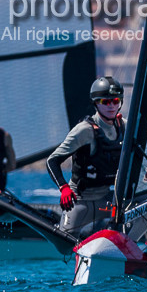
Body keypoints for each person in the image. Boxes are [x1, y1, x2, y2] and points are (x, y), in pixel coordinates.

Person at [46, 76, 125, 239]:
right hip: (79, 201)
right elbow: (52, 161)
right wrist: (63, 188)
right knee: (64, 245)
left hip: (107, 201)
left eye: (115, 100)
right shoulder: (84, 130)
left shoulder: (124, 126)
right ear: (96, 103)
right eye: (105, 102)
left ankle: (126, 240)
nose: (111, 105)